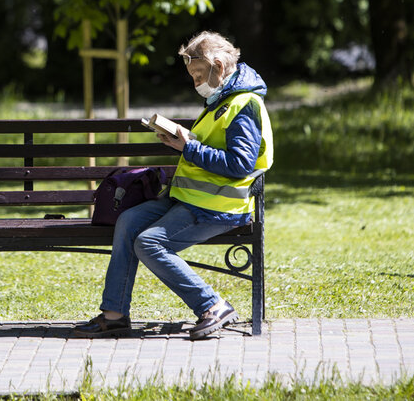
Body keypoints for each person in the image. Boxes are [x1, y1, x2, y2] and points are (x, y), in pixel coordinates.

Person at [73, 31, 274, 340]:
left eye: (198, 75)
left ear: (219, 66)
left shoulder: (243, 105)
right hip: (190, 201)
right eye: (192, 76)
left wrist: (188, 148)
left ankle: (213, 306)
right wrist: (183, 139)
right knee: (128, 221)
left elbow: (239, 165)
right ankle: (114, 315)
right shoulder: (221, 100)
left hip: (219, 208)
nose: (195, 83)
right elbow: (212, 148)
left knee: (149, 243)